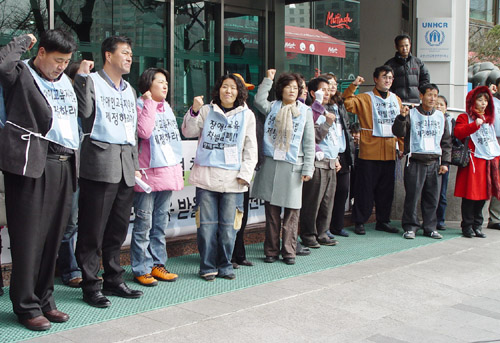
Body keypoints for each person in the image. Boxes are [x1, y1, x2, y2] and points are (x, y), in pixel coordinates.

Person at [0, 30, 78, 331]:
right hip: (32, 163)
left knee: (52, 238)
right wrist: (23, 41)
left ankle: (46, 299)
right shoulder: (22, 74)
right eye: (57, 60)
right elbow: (3, 64)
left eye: (66, 61)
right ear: (41, 52)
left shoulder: (66, 83)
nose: (61, 66)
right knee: (29, 239)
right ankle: (25, 305)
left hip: (64, 162)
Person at [74, 36, 143, 308]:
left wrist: (135, 165)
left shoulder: (130, 90)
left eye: (130, 53)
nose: (129, 57)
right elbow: (84, 111)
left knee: (117, 229)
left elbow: (134, 132)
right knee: (92, 229)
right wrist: (81, 78)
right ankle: (90, 284)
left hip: (126, 166)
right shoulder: (92, 81)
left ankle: (113, 278)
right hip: (100, 164)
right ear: (108, 55)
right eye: (124, 53)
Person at [181, 74, 257, 281]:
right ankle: (207, 266)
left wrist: (246, 175)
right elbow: (187, 131)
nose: (228, 91)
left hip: (234, 181)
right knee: (206, 227)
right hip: (206, 178)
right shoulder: (206, 110)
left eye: (233, 88)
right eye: (225, 86)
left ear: (239, 92)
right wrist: (194, 110)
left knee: (228, 228)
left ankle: (225, 264)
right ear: (219, 89)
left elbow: (251, 148)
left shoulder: (247, 115)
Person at [252, 69, 315, 265]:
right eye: (288, 87)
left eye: (296, 88)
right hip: (272, 165)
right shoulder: (272, 107)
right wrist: (268, 80)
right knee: (271, 212)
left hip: (293, 166)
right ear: (281, 89)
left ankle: (289, 251)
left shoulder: (306, 111)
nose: (292, 91)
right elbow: (258, 100)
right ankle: (271, 250)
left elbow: (309, 142)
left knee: (292, 212)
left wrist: (308, 168)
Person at [131, 68, 182, 286]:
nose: (164, 86)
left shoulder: (167, 108)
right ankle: (141, 267)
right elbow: (144, 132)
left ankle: (157, 264)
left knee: (160, 223)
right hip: (147, 175)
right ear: (147, 85)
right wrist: (149, 103)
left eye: (166, 82)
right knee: (144, 223)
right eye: (159, 81)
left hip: (167, 173)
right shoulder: (140, 105)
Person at [343, 66, 405, 235]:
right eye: (384, 77)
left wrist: (401, 146)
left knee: (386, 190)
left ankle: (383, 220)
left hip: (390, 150)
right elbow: (347, 102)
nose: (388, 80)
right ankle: (360, 221)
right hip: (369, 151)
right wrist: (353, 86)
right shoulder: (364, 98)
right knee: (365, 188)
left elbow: (400, 125)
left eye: (391, 77)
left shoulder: (396, 100)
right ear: (376, 79)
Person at [392, 84, 451, 239]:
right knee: (412, 196)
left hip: (435, 162)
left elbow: (446, 142)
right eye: (429, 95)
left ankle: (430, 227)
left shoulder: (440, 116)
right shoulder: (411, 114)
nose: (432, 98)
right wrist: (401, 117)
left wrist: (445, 162)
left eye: (435, 95)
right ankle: (410, 226)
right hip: (415, 160)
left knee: (432, 197)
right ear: (421, 96)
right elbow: (398, 132)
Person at [299, 76, 340, 248]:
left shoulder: (333, 109)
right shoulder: (309, 111)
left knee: (327, 202)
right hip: (317, 163)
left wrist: (337, 157)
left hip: (331, 162)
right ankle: (308, 234)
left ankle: (323, 232)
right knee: (313, 202)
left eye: (329, 88)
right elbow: (313, 137)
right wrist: (327, 124)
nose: (327, 92)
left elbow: (335, 139)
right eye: (323, 89)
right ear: (313, 92)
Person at [454, 86, 500, 238]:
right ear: (472, 101)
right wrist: (475, 124)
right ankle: (467, 226)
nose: (483, 103)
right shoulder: (464, 117)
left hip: (487, 163)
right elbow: (459, 133)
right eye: (480, 100)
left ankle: (477, 225)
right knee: (470, 196)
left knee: (483, 196)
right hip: (472, 162)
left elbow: (492, 143)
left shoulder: (489, 120)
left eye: (486, 100)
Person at [56, 61, 85, 289]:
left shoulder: (87, 108)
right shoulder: (63, 107)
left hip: (88, 173)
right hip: (65, 171)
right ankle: (69, 269)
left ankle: (78, 267)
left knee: (78, 223)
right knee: (68, 224)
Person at [323, 73, 355, 238]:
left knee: (342, 191)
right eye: (329, 84)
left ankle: (338, 225)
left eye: (335, 84)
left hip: (342, 152)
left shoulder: (339, 104)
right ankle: (324, 228)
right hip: (328, 154)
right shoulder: (320, 106)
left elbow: (346, 127)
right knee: (328, 194)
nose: (333, 87)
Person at [231, 73, 256, 269]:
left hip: (242, 173)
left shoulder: (248, 112)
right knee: (227, 219)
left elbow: (251, 146)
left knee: (241, 215)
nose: (245, 93)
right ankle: (227, 255)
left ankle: (239, 254)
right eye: (243, 89)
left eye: (246, 89)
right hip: (225, 172)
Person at [384, 34, 431, 105]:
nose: (404, 48)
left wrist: (420, 92)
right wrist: (391, 96)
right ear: (396, 47)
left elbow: (425, 79)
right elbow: (385, 82)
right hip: (396, 103)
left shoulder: (418, 63)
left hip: (414, 103)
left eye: (406, 45)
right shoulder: (390, 64)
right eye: (401, 46)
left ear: (410, 45)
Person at [435, 95, 453, 231]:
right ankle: (429, 219)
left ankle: (440, 220)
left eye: (441, 104)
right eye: (436, 104)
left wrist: (446, 162)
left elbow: (450, 142)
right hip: (430, 159)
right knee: (429, 193)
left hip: (444, 160)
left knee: (442, 193)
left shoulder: (450, 121)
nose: (438, 107)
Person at [487, 77, 500, 230]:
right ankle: (480, 217)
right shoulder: (491, 102)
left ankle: (496, 218)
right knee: (489, 180)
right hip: (492, 142)